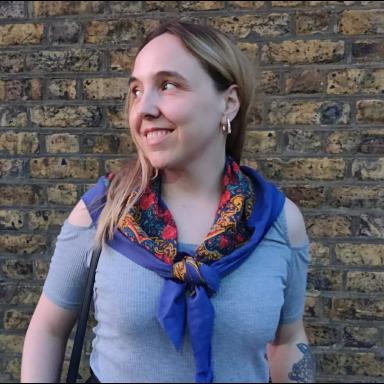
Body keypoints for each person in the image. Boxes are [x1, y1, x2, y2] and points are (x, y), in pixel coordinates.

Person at [21, 21, 315, 383]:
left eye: (168, 85)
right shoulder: (102, 212)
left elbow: (287, 341)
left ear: (229, 103)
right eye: (136, 90)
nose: (143, 108)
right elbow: (49, 329)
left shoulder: (278, 221)